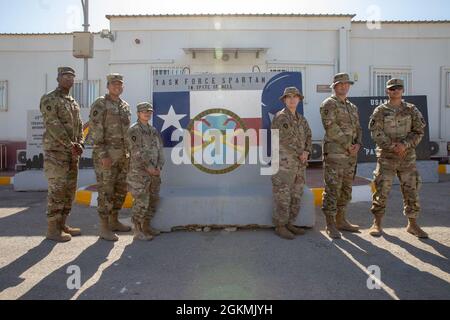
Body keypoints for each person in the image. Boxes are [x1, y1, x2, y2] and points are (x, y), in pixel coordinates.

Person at [368, 78, 428, 238]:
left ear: (402, 90)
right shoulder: (380, 111)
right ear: (387, 91)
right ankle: (377, 223)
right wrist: (393, 146)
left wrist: (405, 145)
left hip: (407, 158)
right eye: (392, 89)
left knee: (411, 191)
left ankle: (413, 224)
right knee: (382, 190)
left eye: (398, 88)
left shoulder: (411, 110)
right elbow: (376, 132)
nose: (395, 91)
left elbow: (419, 131)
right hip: (387, 158)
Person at [40, 67, 84, 242]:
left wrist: (80, 143)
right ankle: (52, 230)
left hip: (72, 154)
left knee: (69, 192)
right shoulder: (49, 99)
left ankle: (62, 224)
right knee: (57, 191)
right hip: (56, 153)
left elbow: (80, 125)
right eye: (65, 76)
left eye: (71, 77)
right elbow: (53, 124)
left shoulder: (73, 102)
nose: (69, 79)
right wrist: (70, 144)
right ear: (58, 78)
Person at [89, 73, 132, 241]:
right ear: (108, 86)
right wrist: (103, 154)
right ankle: (104, 227)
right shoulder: (100, 104)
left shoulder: (125, 106)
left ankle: (114, 221)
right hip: (107, 156)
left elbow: (128, 133)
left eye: (120, 84)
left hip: (123, 155)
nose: (117, 87)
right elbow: (94, 131)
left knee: (120, 191)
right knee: (106, 191)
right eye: (114, 84)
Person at [320, 73, 362, 239]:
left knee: (346, 188)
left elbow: (358, 128)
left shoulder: (352, 107)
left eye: (346, 84)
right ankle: (330, 224)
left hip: (351, 155)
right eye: (340, 84)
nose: (344, 86)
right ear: (334, 86)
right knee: (333, 188)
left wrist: (358, 144)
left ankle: (341, 220)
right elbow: (330, 127)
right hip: (335, 154)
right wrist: (347, 145)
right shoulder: (329, 104)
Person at [271, 87, 312, 240]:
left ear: (299, 99)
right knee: (283, 195)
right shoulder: (280, 117)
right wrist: (300, 153)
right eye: (289, 97)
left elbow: (309, 135)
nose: (292, 99)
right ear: (284, 100)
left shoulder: (301, 119)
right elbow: (284, 140)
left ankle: (289, 223)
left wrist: (307, 151)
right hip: (284, 164)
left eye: (295, 97)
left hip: (300, 164)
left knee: (296, 194)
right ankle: (280, 226)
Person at [127, 102, 164, 241]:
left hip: (154, 172)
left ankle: (147, 226)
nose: (147, 114)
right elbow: (136, 151)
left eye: (149, 112)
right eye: (144, 111)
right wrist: (148, 167)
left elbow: (160, 149)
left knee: (153, 200)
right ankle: (137, 230)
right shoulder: (134, 130)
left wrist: (159, 166)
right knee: (141, 201)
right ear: (138, 113)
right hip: (140, 173)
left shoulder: (153, 130)